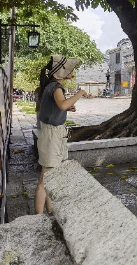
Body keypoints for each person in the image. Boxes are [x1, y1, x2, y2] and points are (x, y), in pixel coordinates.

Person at [35, 55, 87, 214]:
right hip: (52, 136)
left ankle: (51, 212)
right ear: (61, 72)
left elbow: (58, 107)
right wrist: (80, 93)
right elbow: (62, 105)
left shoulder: (50, 86)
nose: (72, 73)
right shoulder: (56, 87)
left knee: (51, 178)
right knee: (45, 180)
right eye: (70, 70)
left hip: (53, 134)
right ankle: (37, 219)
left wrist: (67, 107)